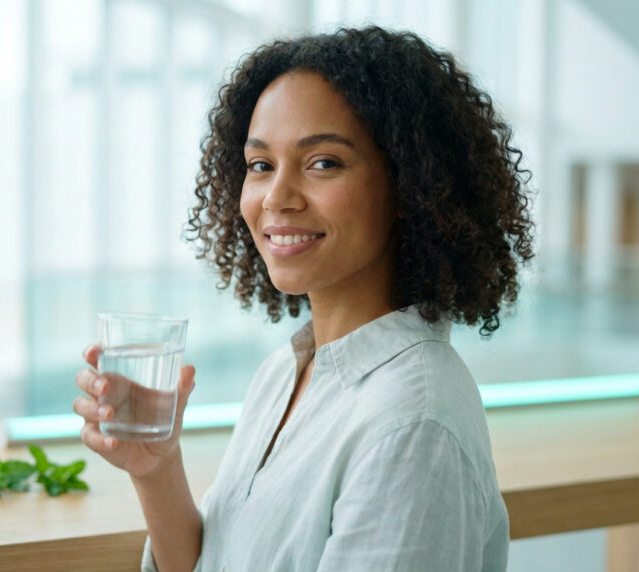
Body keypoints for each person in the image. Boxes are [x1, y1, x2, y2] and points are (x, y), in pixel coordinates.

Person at [73, 25, 534, 572]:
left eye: (323, 163)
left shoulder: (412, 424)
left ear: (413, 185)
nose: (276, 197)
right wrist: (155, 468)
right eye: (261, 165)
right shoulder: (286, 372)